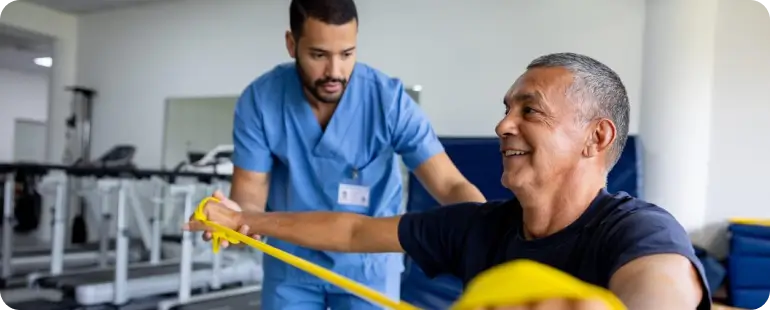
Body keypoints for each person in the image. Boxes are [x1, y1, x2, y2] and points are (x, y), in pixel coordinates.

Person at [187, 52, 711, 309]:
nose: (504, 124)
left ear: (596, 138)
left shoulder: (637, 229)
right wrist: (246, 218)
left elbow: (660, 289)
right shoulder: (477, 228)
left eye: (531, 110)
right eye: (506, 109)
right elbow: (351, 233)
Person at [213, 0, 486, 309]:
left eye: (347, 54)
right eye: (318, 55)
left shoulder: (388, 101)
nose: (335, 72)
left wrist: (491, 235)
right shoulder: (261, 100)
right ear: (292, 44)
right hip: (291, 262)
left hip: (368, 265)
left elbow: (449, 185)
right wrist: (235, 219)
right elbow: (249, 198)